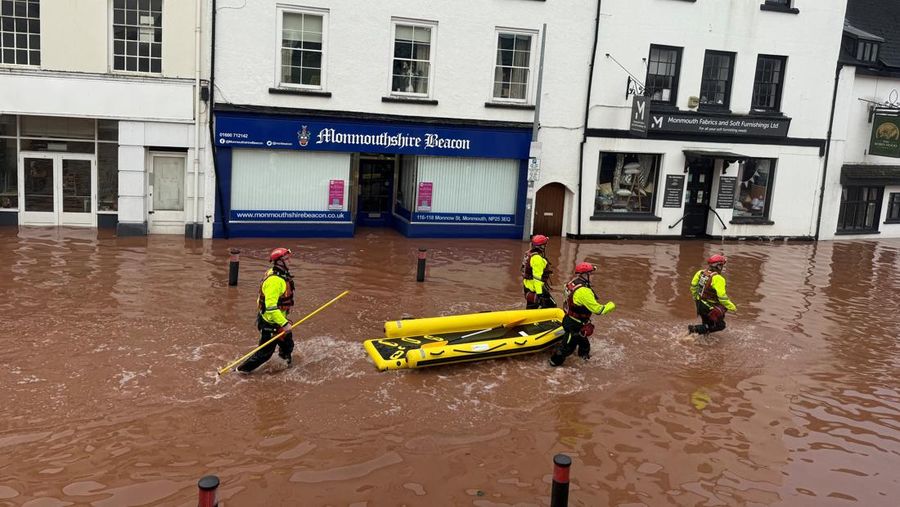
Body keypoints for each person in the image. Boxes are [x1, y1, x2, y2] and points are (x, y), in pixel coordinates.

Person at [236, 247, 296, 373]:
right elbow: (271, 307)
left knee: (287, 345)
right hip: (271, 323)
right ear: (279, 262)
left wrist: (283, 322)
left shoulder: (277, 273)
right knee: (264, 354)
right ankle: (240, 371)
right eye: (287, 259)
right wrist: (284, 324)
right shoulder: (275, 281)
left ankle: (284, 365)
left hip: (278, 320)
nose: (290, 261)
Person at [548, 262, 616, 367]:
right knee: (565, 349)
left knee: (585, 345)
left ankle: (583, 365)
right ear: (585, 275)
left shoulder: (572, 283)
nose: (593, 276)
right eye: (591, 274)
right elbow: (599, 310)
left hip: (570, 320)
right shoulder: (584, 291)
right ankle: (552, 366)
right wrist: (612, 305)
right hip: (574, 324)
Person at [688, 254, 737, 335]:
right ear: (719, 266)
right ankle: (694, 329)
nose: (722, 267)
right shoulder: (718, 279)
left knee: (706, 324)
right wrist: (732, 307)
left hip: (699, 303)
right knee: (720, 325)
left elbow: (693, 287)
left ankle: (700, 340)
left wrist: (696, 298)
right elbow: (722, 297)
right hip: (709, 306)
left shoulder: (700, 273)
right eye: (722, 265)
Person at [521, 234, 556, 309]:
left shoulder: (529, 253)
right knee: (552, 305)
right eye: (545, 245)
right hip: (535, 288)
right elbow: (537, 278)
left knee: (531, 306)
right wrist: (540, 294)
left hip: (527, 285)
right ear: (542, 246)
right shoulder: (537, 259)